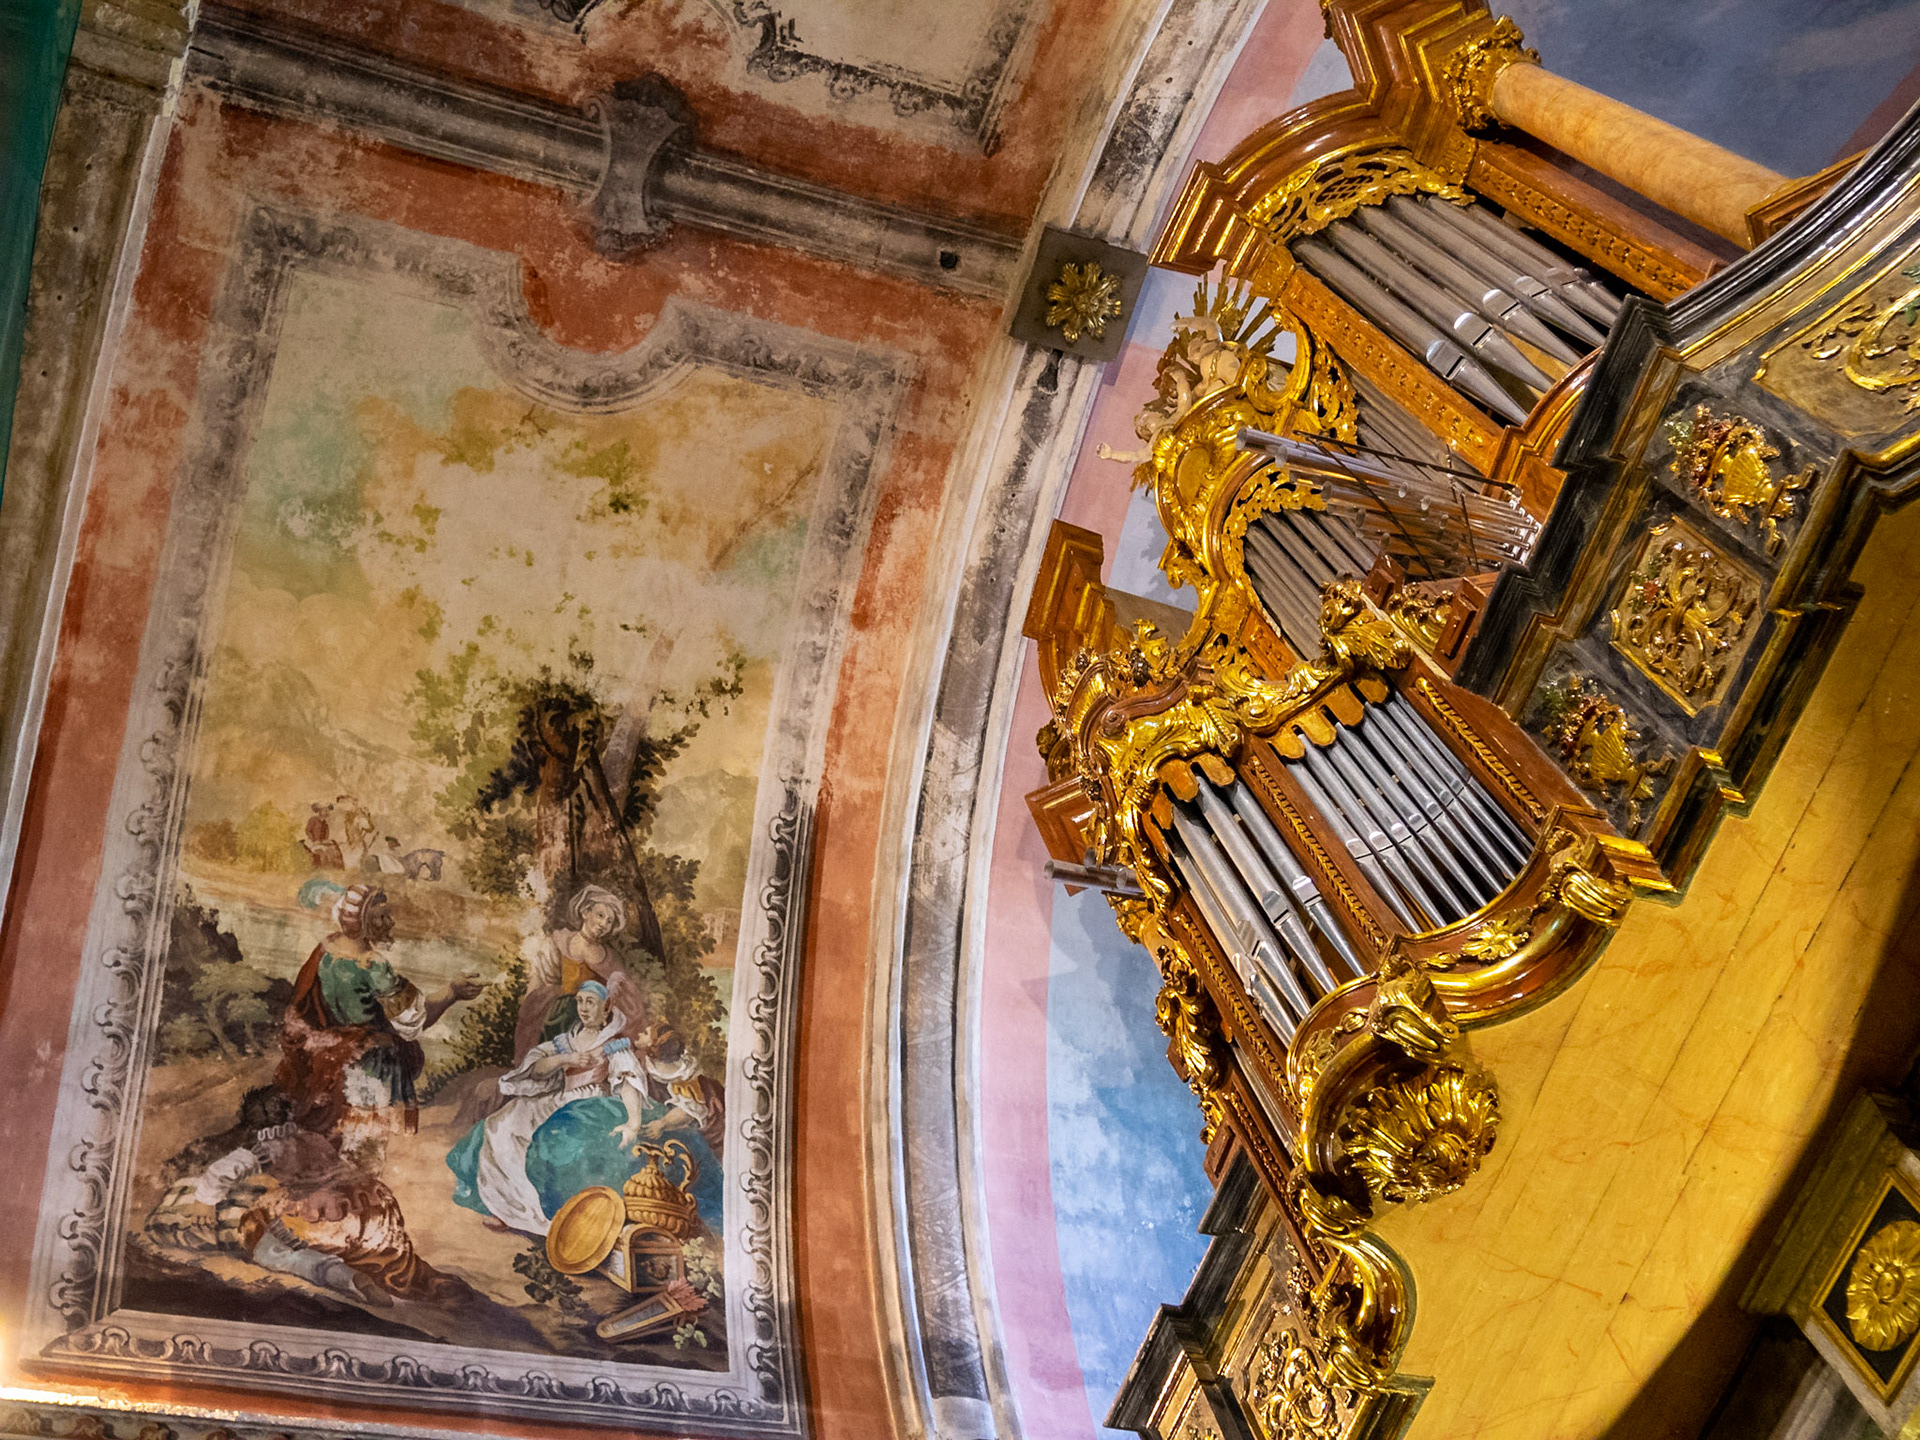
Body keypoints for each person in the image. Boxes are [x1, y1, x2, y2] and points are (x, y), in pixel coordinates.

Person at [146, 1085, 465, 1304]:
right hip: (350, 1196)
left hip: (320, 1202)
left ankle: (341, 1277)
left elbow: (224, 1169)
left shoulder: (270, 1147)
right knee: (369, 1246)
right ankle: (407, 1275)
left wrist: (204, 1201)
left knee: (279, 1252)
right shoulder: (311, 1138)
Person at [277, 884, 482, 1165]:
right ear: (362, 924)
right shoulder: (372, 965)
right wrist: (452, 992)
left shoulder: (326, 949)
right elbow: (413, 1020)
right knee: (365, 1153)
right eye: (382, 917)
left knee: (337, 1142)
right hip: (371, 1069)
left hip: (334, 1063)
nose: (391, 923)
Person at [447, 981, 653, 1235]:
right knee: (501, 1125)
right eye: (580, 1001)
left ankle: (555, 1221)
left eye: (591, 1002)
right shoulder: (566, 1041)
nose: (584, 1008)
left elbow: (627, 1083)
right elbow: (536, 1067)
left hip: (592, 1104)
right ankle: (511, 1209)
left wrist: (633, 1122)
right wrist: (564, 1059)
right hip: (560, 1098)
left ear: (606, 1006)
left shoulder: (614, 1043)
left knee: (554, 1141)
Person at [513, 884, 648, 1060]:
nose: (603, 924)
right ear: (585, 912)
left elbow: (624, 991)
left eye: (609, 921)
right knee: (564, 1014)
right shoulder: (563, 941)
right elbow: (543, 975)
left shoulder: (609, 956)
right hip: (561, 1012)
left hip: (594, 1014)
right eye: (600, 915)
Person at [302, 803, 343, 869]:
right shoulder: (313, 820)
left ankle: (332, 869)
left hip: (321, 843)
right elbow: (308, 831)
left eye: (327, 810)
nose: (327, 812)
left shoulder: (325, 824)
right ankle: (323, 869)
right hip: (312, 842)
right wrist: (314, 840)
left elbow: (326, 836)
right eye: (325, 810)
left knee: (332, 852)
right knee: (322, 854)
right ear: (320, 811)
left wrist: (325, 841)